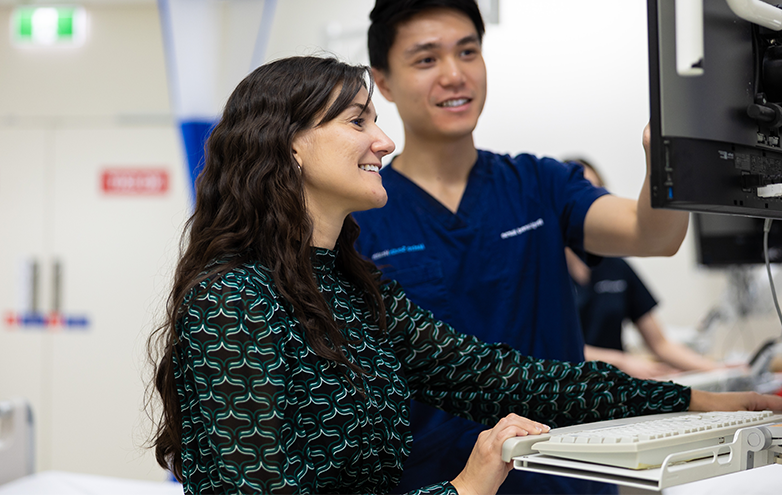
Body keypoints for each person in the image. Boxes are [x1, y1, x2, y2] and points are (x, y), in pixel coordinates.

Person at [145, 55, 782, 495]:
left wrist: (710, 402)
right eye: (358, 121)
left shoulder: (353, 291)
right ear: (290, 145)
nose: (384, 141)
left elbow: (508, 380)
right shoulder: (233, 300)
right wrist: (463, 487)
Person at [350, 0, 688, 493]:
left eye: (468, 51)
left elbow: (652, 234)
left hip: (571, 476)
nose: (454, 74)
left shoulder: (539, 184)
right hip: (444, 482)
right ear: (385, 82)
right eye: (426, 59)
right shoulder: (362, 213)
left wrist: (670, 157)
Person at [564, 158, 722, 380]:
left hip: (615, 386)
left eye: (594, 193)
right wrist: (621, 361)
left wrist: (720, 371)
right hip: (568, 388)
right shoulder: (542, 273)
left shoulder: (616, 266)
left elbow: (660, 344)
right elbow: (549, 348)